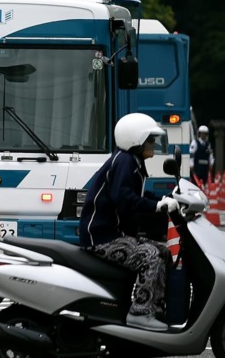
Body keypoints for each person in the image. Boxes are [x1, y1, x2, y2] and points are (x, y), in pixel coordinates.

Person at [78, 112, 178, 332]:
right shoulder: (125, 161)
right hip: (102, 237)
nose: (153, 144)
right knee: (151, 256)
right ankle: (140, 313)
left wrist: (163, 200)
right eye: (150, 139)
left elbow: (138, 195)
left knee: (162, 251)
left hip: (114, 234)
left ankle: (156, 308)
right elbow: (123, 197)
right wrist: (156, 206)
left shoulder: (131, 161)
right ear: (136, 139)